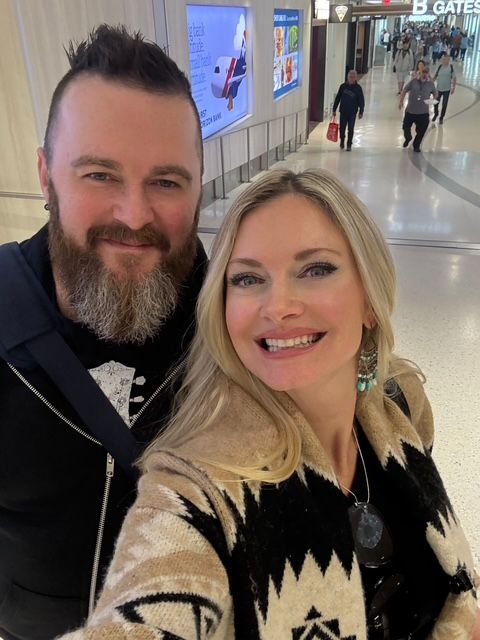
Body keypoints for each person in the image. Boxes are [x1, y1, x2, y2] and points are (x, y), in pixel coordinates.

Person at [57, 169, 480, 640]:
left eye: (315, 270)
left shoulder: (400, 400)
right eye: (248, 278)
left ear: (369, 298)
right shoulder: (196, 492)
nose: (278, 306)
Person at [0, 24, 207, 640]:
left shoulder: (237, 326)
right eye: (99, 175)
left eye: (166, 182)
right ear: (46, 175)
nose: (134, 215)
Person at [399, 65, 437, 152]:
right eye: (423, 72)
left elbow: (435, 94)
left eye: (426, 72)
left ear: (428, 74)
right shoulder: (413, 82)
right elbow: (404, 90)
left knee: (422, 130)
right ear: (420, 73)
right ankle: (408, 138)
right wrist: (401, 101)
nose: (424, 74)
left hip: (423, 113)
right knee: (406, 127)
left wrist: (433, 100)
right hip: (410, 111)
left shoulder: (430, 84)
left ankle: (416, 145)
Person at [332, 69, 365, 151]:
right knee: (342, 128)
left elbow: (361, 100)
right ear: (347, 77)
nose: (352, 78)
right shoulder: (343, 86)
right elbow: (338, 98)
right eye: (350, 77)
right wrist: (334, 109)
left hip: (352, 112)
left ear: (356, 78)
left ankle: (349, 144)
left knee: (351, 128)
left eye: (353, 77)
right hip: (343, 111)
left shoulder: (358, 88)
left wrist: (361, 111)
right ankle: (342, 141)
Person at [433, 53, 457, 124]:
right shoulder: (440, 67)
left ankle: (441, 117)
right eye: (443, 59)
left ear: (448, 60)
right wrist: (431, 82)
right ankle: (436, 114)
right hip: (438, 89)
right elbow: (435, 76)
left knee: (444, 105)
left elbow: (454, 78)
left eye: (445, 59)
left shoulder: (451, 68)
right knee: (435, 103)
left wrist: (453, 88)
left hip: (446, 89)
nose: (443, 60)